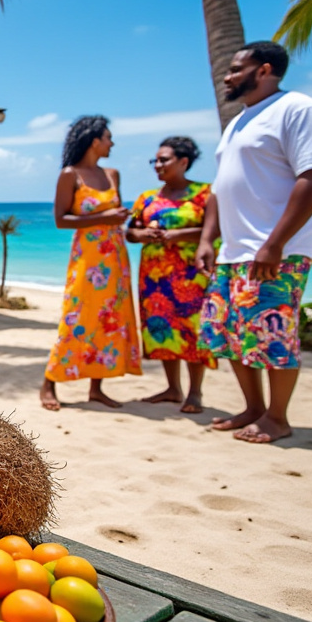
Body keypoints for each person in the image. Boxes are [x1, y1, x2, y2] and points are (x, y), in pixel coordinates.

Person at [197, 41, 312, 444]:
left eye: (236, 68)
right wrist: (208, 238)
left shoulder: (298, 110)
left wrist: (275, 243)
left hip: (276, 251)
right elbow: (221, 190)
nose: (227, 75)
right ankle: (253, 408)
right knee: (232, 334)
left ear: (264, 70)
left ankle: (277, 417)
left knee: (273, 335)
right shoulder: (238, 122)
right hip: (233, 252)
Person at [41, 115, 141, 411]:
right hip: (87, 259)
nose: (112, 143)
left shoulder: (113, 174)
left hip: (115, 257)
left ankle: (96, 387)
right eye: (109, 137)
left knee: (109, 320)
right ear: (94, 141)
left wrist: (123, 218)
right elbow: (61, 220)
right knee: (77, 317)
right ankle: (49, 381)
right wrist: (103, 218)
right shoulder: (70, 174)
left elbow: (114, 213)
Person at [127, 136, 216, 414]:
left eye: (163, 160)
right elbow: (130, 232)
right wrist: (145, 234)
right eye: (155, 160)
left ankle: (195, 392)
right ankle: (172, 388)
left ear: (183, 162)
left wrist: (175, 235)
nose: (158, 165)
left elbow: (214, 230)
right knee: (161, 329)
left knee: (192, 331)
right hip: (155, 278)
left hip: (192, 275)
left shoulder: (206, 194)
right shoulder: (147, 198)